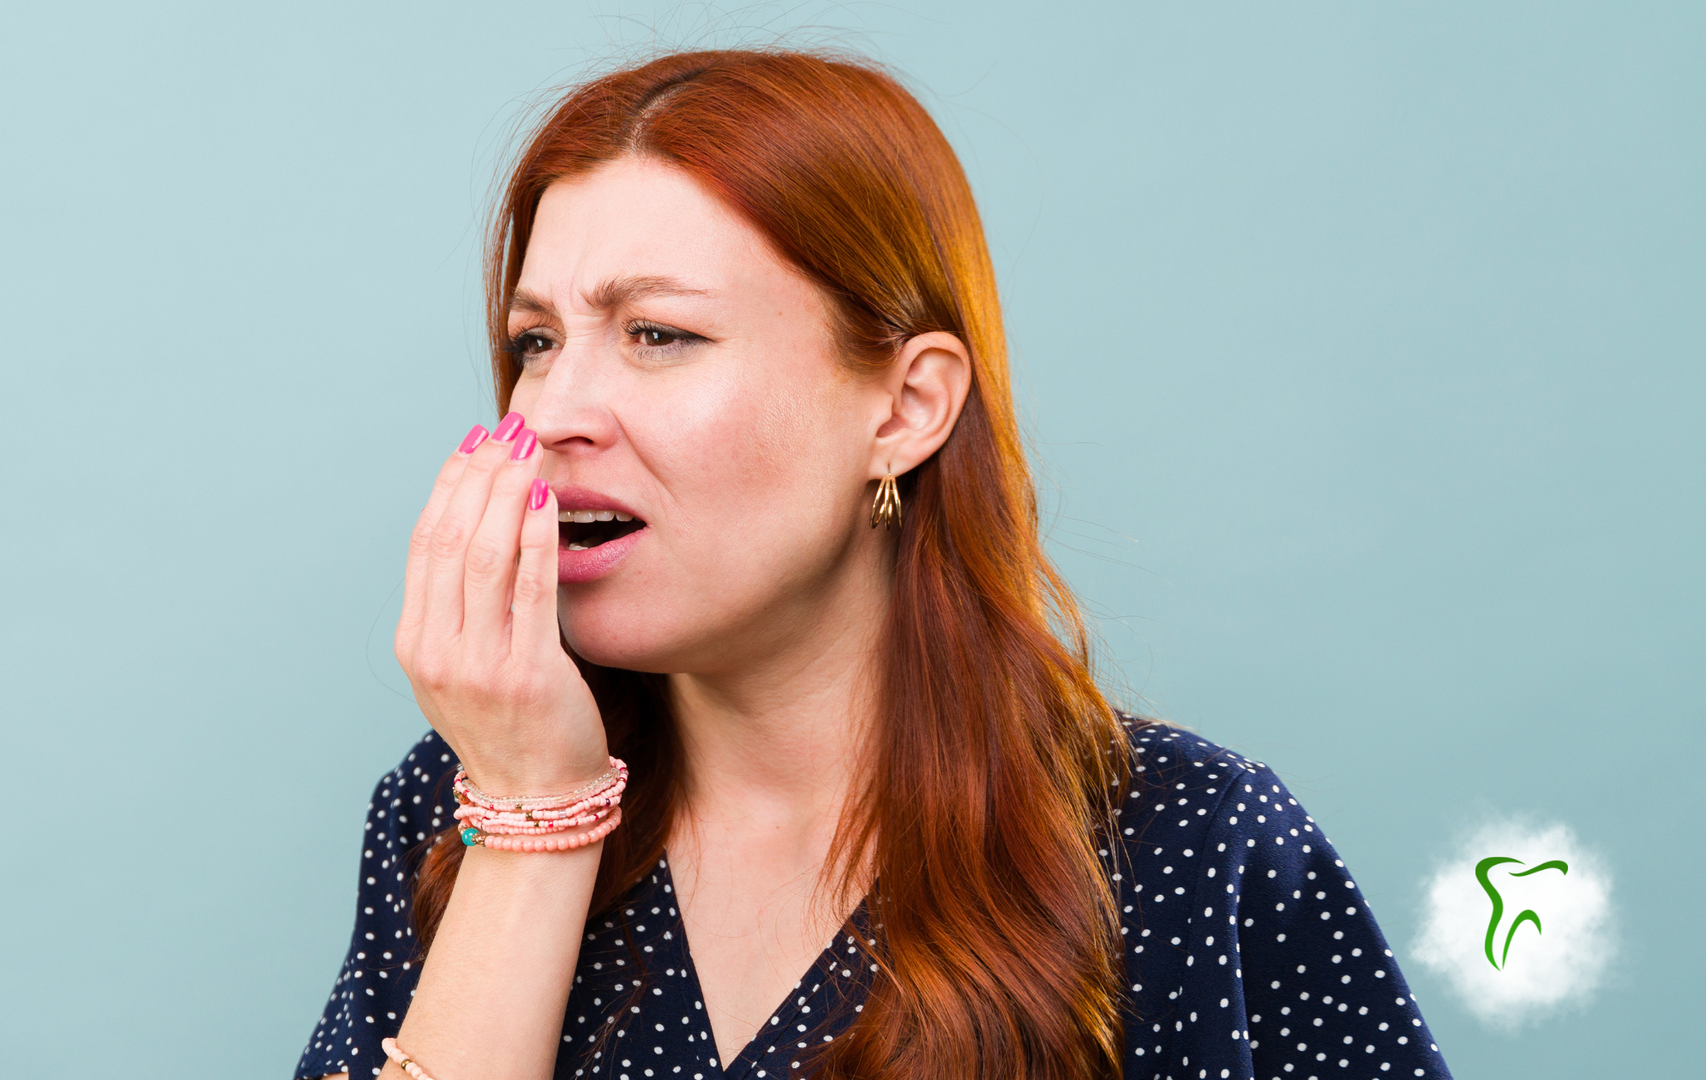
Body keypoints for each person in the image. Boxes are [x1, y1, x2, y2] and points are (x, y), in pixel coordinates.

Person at [295, 49, 1451, 1080]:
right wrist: (535, 822)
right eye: (534, 343)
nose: (553, 411)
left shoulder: (1183, 845)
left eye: (658, 334)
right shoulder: (457, 808)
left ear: (906, 406)